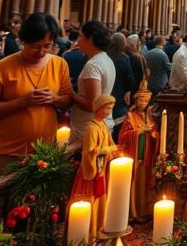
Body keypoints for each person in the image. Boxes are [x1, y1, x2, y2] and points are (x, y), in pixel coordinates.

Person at [0, 13, 74, 174]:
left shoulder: (59, 64)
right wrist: (24, 102)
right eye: (35, 46)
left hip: (45, 151)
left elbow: (68, 100)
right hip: (8, 152)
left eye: (47, 46)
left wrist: (54, 99)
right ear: (22, 41)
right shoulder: (2, 68)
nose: (41, 52)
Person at [70, 94, 119, 241]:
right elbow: (92, 150)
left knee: (101, 199)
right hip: (91, 172)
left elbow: (111, 143)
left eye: (111, 108)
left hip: (101, 168)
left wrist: (115, 149)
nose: (110, 111)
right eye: (108, 108)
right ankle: (87, 234)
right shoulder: (92, 128)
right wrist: (109, 149)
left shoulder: (103, 126)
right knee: (90, 200)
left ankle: (99, 228)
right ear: (99, 108)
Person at [117, 81, 159, 221]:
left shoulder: (150, 118)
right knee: (134, 184)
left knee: (145, 184)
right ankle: (133, 212)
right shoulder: (130, 117)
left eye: (146, 101)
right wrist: (138, 132)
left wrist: (152, 133)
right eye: (141, 100)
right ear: (136, 100)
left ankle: (144, 211)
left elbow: (156, 135)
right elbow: (122, 136)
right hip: (134, 156)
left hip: (146, 156)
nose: (143, 103)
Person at [70, 21, 116, 141]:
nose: (78, 40)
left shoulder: (93, 65)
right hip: (100, 124)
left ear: (90, 38)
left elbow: (93, 104)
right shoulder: (106, 59)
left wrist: (72, 95)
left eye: (80, 36)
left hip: (88, 127)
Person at [107, 33, 136, 125]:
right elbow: (130, 77)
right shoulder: (124, 58)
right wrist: (128, 90)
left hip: (107, 91)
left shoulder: (105, 55)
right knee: (118, 122)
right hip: (119, 94)